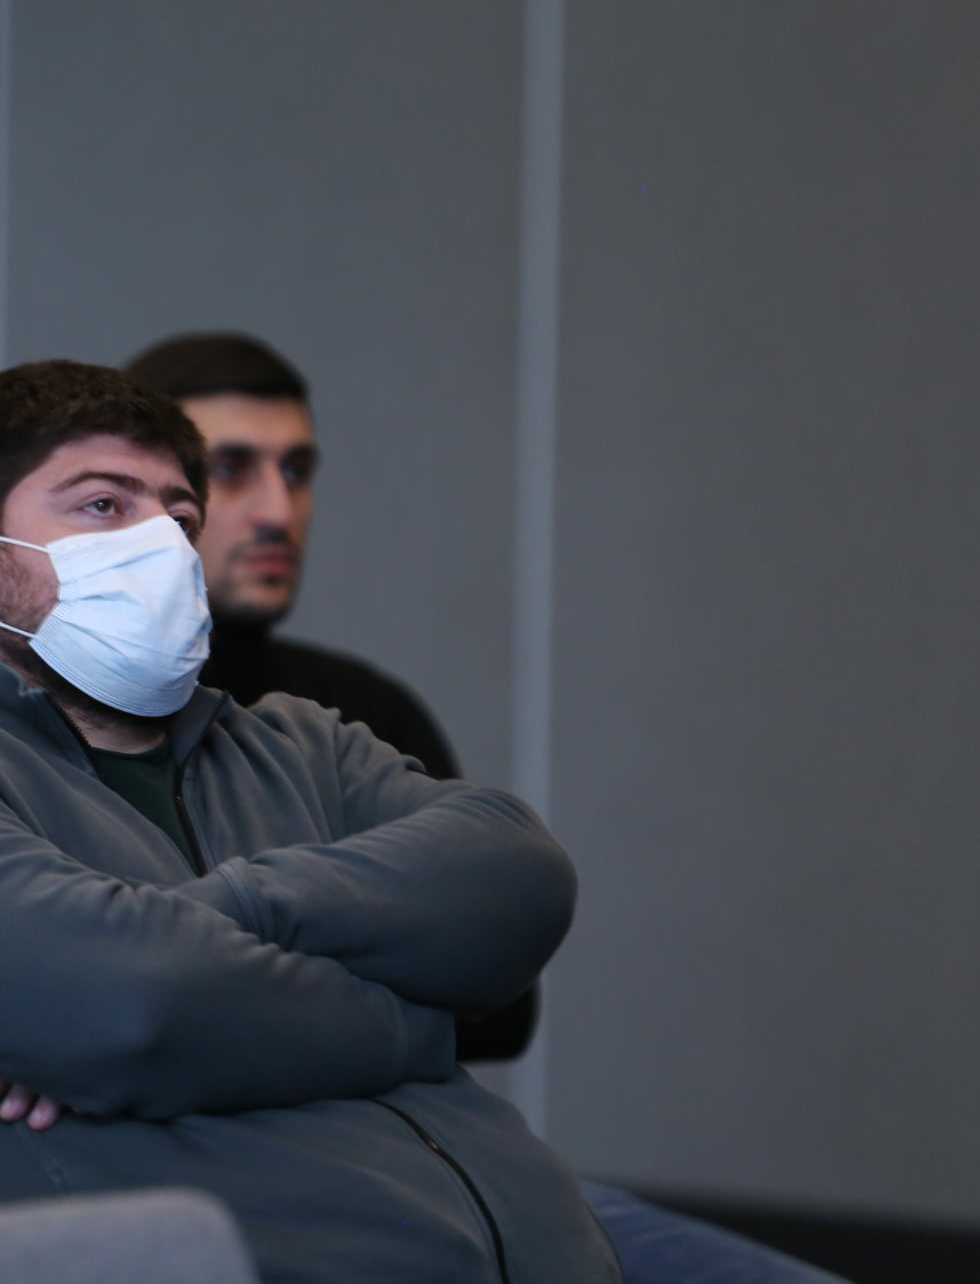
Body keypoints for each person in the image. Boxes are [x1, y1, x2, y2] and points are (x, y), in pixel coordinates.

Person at [0, 359, 620, 1283]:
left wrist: (235, 914)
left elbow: (521, 875)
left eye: (181, 518)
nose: (161, 543)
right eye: (104, 505)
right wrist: (419, 1025)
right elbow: (139, 1009)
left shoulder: (298, 744)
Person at [125, 331, 850, 1284]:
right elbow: (130, 996)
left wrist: (255, 982)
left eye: (297, 470)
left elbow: (502, 1004)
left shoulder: (359, 712)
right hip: (240, 1191)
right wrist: (363, 971)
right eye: (234, 469)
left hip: (438, 1165)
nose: (277, 509)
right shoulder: (89, 722)